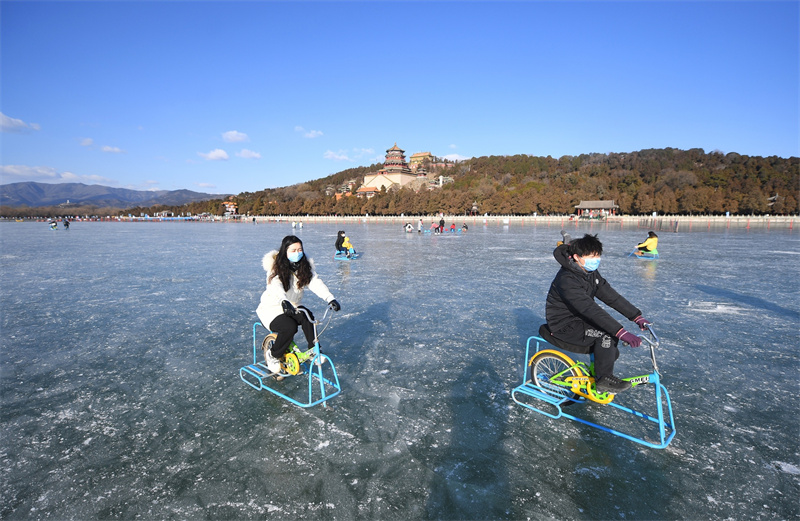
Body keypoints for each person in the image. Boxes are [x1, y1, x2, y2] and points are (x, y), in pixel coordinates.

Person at [544, 234, 651, 394]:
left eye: (597, 256)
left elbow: (610, 296)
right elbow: (589, 309)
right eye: (591, 256)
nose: (596, 260)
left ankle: (598, 374)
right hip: (564, 325)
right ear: (576, 257)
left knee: (610, 347)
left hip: (580, 319)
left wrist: (636, 316)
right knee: (606, 336)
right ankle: (604, 380)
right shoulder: (567, 280)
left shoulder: (589, 273)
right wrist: (622, 332)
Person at [256, 235, 340, 375]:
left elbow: (315, 283)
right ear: (285, 251)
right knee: (289, 327)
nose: (297, 253)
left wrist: (330, 298)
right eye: (293, 250)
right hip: (272, 308)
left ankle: (314, 350)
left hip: (292, 305)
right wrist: (283, 300)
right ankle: (273, 355)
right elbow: (275, 285)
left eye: (300, 249)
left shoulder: (304, 266)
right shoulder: (276, 267)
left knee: (308, 318)